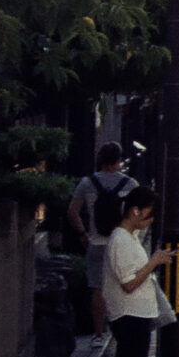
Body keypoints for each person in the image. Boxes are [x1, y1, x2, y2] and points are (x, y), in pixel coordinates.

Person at [95, 187, 168, 357]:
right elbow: (129, 283)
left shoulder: (129, 237)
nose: (151, 219)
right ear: (135, 210)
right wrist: (154, 262)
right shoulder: (120, 240)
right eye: (150, 213)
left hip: (137, 314)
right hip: (128, 315)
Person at [66, 143, 135, 336]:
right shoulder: (130, 184)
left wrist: (83, 234)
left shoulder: (87, 183)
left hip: (96, 242)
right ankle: (120, 329)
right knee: (124, 285)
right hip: (121, 243)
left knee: (97, 288)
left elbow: (72, 212)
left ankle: (98, 333)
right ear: (119, 160)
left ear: (100, 159)